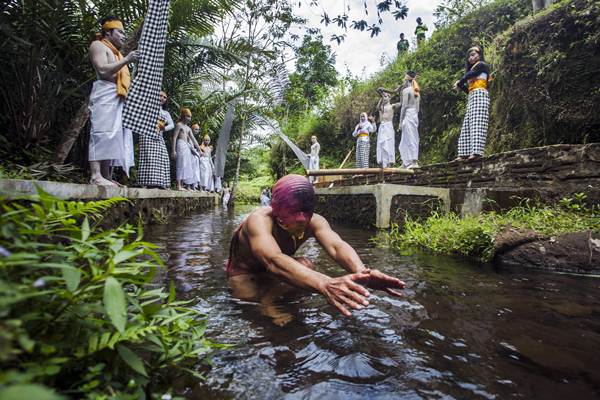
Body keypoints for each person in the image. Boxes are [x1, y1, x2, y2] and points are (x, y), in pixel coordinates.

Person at [226, 174, 406, 324]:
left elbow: (337, 246)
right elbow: (273, 260)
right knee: (249, 307)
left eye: (305, 218)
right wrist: (325, 284)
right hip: (245, 272)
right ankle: (265, 303)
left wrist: (362, 272)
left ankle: (270, 299)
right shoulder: (259, 220)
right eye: (294, 222)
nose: (302, 225)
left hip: (276, 269)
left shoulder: (314, 221)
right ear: (277, 214)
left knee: (306, 265)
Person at [88, 16, 139, 186]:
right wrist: (127, 59)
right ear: (108, 32)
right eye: (120, 32)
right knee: (101, 132)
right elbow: (102, 69)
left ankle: (106, 176)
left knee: (113, 136)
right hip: (104, 92)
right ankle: (95, 176)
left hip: (116, 96)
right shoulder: (98, 45)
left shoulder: (117, 53)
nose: (123, 36)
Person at [453, 45, 491, 161]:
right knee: (467, 125)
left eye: (473, 55)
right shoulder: (472, 70)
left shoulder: (481, 65)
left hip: (480, 95)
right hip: (472, 96)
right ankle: (464, 153)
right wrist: (461, 86)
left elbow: (468, 75)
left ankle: (477, 152)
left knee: (477, 123)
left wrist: (460, 82)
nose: (471, 57)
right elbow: (468, 90)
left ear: (479, 55)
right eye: (469, 56)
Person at [137, 90, 172, 188]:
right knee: (148, 157)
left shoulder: (165, 113)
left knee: (162, 157)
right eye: (160, 96)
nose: (162, 98)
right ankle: (145, 182)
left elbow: (172, 124)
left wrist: (164, 128)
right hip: (147, 135)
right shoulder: (148, 108)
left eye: (164, 97)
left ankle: (159, 182)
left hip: (159, 136)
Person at [398, 71, 421, 169]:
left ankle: (414, 161)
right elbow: (418, 109)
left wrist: (400, 122)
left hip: (408, 115)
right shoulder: (417, 91)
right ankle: (406, 161)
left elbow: (404, 106)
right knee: (404, 140)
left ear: (407, 79)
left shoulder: (406, 90)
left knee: (411, 138)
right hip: (414, 115)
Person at [376, 89, 401, 168]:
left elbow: (401, 103)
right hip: (382, 126)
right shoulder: (381, 107)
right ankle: (382, 162)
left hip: (388, 126)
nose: (385, 98)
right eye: (384, 97)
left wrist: (399, 90)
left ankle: (390, 162)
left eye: (386, 96)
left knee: (389, 143)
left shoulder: (392, 106)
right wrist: (382, 95)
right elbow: (377, 107)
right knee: (381, 144)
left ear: (390, 98)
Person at [172, 108, 195, 191]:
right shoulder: (179, 125)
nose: (189, 118)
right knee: (180, 164)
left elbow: (193, 139)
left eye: (190, 117)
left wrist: (199, 150)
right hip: (180, 144)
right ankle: (178, 185)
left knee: (185, 165)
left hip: (186, 146)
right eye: (188, 116)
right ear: (183, 116)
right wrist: (173, 150)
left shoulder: (188, 128)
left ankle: (181, 185)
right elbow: (174, 138)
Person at [186, 123, 203, 190]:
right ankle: (188, 186)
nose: (197, 131)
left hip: (193, 156)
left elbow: (195, 146)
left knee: (195, 171)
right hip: (189, 155)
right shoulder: (188, 136)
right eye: (196, 129)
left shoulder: (193, 138)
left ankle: (193, 186)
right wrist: (197, 154)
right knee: (189, 170)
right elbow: (191, 147)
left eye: (198, 130)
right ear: (192, 129)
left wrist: (198, 153)